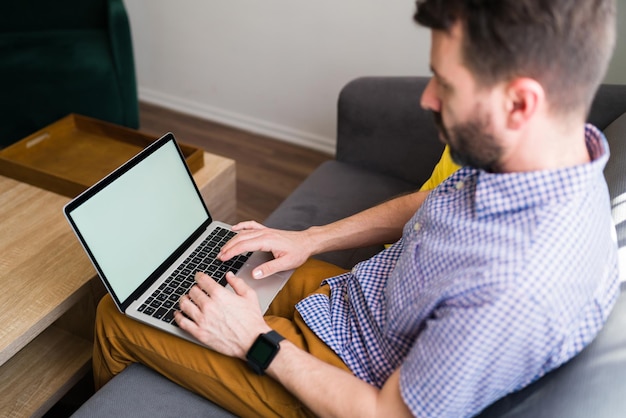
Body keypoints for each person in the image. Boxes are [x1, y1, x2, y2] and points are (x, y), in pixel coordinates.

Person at [93, 0, 620, 416]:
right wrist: (310, 239)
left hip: (343, 380)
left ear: (521, 102)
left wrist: (253, 339)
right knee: (211, 261)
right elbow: (432, 202)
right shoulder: (544, 158)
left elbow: (387, 414)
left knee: (115, 317)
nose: (427, 99)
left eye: (446, 83)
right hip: (354, 304)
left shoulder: (518, 286)